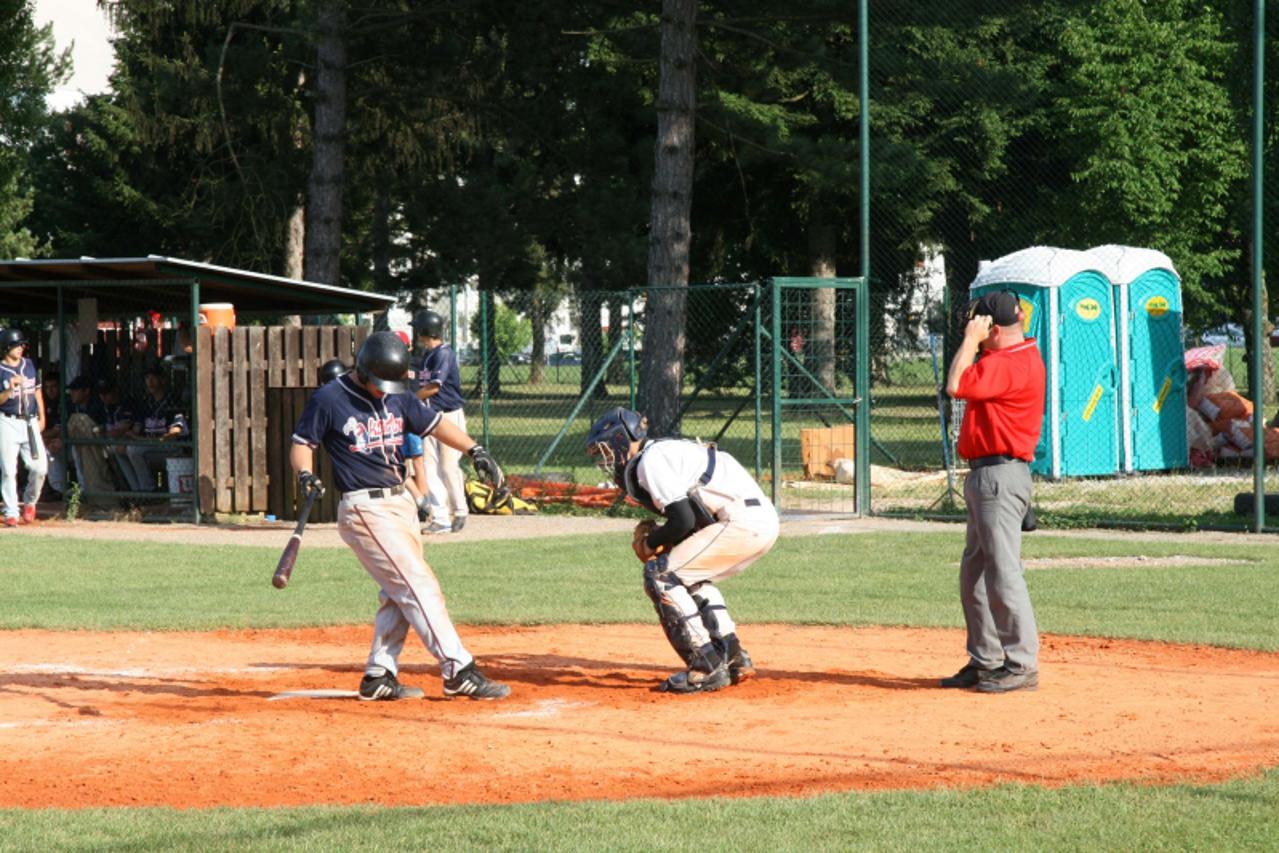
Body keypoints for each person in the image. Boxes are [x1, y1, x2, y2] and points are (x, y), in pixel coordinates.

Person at [290, 331, 510, 701]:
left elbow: (434, 424)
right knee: (418, 584)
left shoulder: (397, 395)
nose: (383, 392)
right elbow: (302, 444)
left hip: (402, 504)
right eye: (378, 384)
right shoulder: (330, 399)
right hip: (365, 509)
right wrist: (305, 474)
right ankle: (458, 669)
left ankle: (378, 675)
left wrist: (476, 449)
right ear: (362, 370)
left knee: (398, 592)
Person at [586, 406, 778, 694]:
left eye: (606, 451)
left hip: (740, 521)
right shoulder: (668, 450)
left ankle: (706, 665)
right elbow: (692, 519)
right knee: (687, 574)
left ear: (620, 440)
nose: (606, 460)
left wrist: (650, 544)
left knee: (660, 575)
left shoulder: (650, 460)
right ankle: (732, 655)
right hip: (759, 520)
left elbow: (683, 519)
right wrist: (667, 540)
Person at [941, 290, 1045, 694]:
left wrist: (969, 341)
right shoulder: (1010, 357)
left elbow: (955, 385)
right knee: (975, 575)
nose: (975, 330)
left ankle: (1020, 664)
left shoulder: (1008, 362)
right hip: (990, 476)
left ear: (995, 329)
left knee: (1002, 574)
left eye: (981, 325)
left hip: (999, 477)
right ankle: (986, 660)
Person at [411, 310, 469, 534]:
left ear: (426, 331)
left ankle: (460, 511)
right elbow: (423, 381)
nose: (416, 334)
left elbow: (434, 387)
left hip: (448, 415)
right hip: (429, 416)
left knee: (447, 466)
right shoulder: (428, 355)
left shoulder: (443, 354)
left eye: (418, 329)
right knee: (429, 466)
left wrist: (410, 400)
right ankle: (441, 519)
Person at [0, 328, 48, 526]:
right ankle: (11, 512)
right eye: (16, 345)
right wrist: (10, 389)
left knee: (40, 468)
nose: (21, 348)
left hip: (30, 420)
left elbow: (37, 392)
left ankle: (30, 502)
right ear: (6, 347)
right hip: (7, 421)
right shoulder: (1, 370)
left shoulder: (29, 365)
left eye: (21, 345)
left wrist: (42, 417)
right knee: (9, 470)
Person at [125, 367, 189, 493]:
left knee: (133, 450)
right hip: (150, 446)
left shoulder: (172, 400)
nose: (150, 382)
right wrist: (133, 436)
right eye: (147, 378)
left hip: (170, 447)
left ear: (162, 380)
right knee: (120, 448)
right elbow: (136, 429)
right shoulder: (146, 402)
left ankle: (148, 491)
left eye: (154, 378)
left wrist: (160, 438)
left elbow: (176, 430)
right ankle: (136, 490)